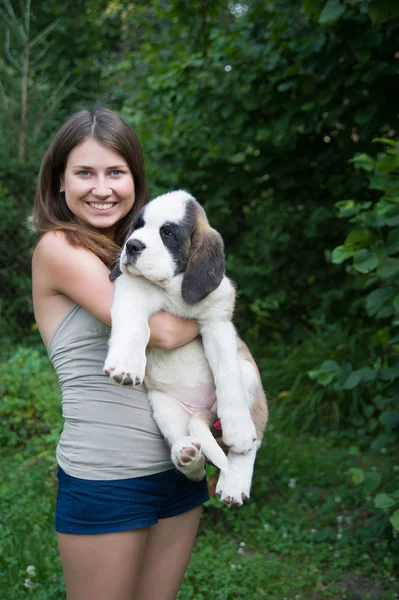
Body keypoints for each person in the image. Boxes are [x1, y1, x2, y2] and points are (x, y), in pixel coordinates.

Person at [31, 107, 209, 600]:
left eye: (116, 172)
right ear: (60, 183)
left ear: (135, 180)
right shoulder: (58, 249)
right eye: (84, 173)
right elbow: (166, 333)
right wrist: (216, 320)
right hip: (108, 474)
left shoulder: (135, 252)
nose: (101, 188)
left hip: (178, 464)